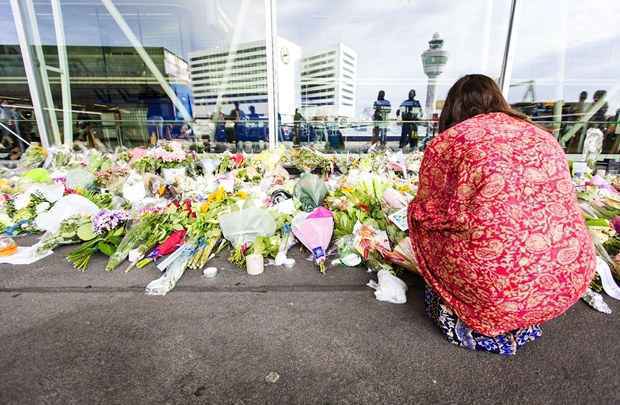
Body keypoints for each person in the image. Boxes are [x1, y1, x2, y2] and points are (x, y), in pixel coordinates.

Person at [408, 74, 595, 355]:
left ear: (452, 108)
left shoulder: (449, 142)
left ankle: (473, 313)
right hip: (568, 279)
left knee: (418, 218)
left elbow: (428, 210)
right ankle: (524, 314)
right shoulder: (542, 135)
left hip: (497, 290)